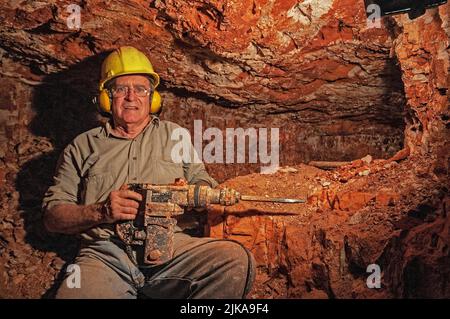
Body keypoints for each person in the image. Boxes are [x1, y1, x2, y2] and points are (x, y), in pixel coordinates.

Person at [42, 46, 255, 299]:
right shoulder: (82, 146)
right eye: (121, 89)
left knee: (233, 260)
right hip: (105, 254)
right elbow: (52, 217)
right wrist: (101, 211)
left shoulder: (174, 135)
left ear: (152, 97)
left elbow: (201, 179)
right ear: (106, 98)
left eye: (141, 89)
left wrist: (194, 192)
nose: (131, 97)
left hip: (172, 246)